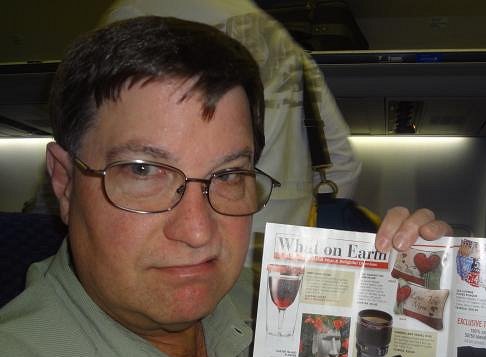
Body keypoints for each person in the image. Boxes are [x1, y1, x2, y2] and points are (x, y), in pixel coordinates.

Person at [0, 16, 486, 357]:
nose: (198, 232)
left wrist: (423, 303)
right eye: (143, 171)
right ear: (64, 183)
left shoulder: (258, 295)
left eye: (229, 175)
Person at [100, 0, 362, 268]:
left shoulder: (138, 13)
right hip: (284, 264)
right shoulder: (282, 40)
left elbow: (103, 137)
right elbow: (341, 161)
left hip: (184, 259)